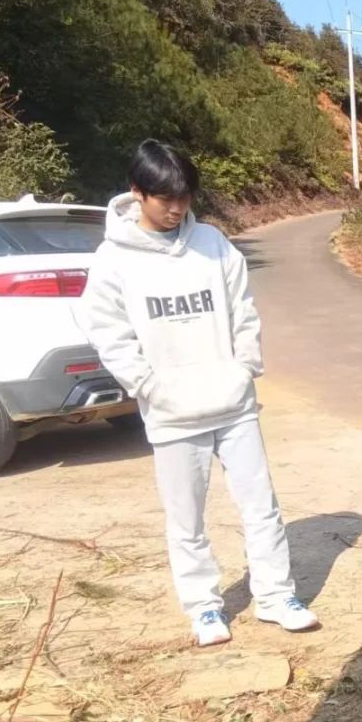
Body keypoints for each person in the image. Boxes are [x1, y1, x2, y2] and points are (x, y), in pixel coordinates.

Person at [75, 139, 318, 647]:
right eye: (166, 198)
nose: (177, 207)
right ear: (137, 193)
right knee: (186, 516)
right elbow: (107, 330)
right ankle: (205, 607)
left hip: (233, 405)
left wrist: (244, 366)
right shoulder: (114, 260)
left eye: (184, 196)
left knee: (261, 505)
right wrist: (147, 386)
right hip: (171, 413)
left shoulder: (211, 242)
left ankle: (275, 596)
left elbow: (243, 306)